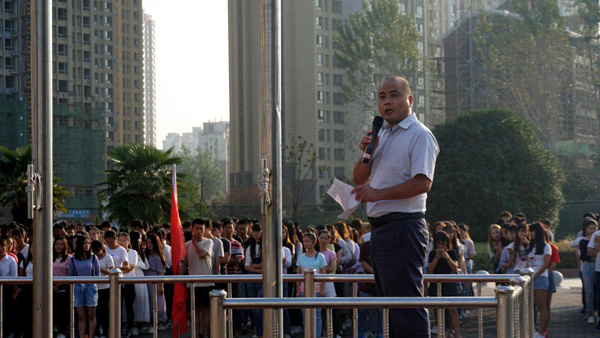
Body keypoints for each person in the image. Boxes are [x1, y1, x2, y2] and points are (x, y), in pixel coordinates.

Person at [351, 76, 439, 337]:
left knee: (406, 307)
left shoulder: (420, 135)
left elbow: (423, 183)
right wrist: (367, 152)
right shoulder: (382, 135)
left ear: (410, 100)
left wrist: (378, 194)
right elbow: (358, 178)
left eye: (394, 95)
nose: (387, 101)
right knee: (392, 305)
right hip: (381, 230)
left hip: (403, 226)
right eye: (382, 96)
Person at [181, 218, 214, 338]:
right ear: (192, 229)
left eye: (201, 228)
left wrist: (194, 243)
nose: (199, 231)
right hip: (192, 283)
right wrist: (178, 279)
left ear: (205, 230)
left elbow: (202, 254)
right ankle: (195, 334)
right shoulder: (187, 245)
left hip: (206, 282)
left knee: (205, 310)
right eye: (197, 228)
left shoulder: (208, 242)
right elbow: (185, 263)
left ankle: (205, 334)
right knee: (195, 311)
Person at [427, 232, 460, 338]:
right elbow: (430, 269)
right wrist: (436, 258)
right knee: (438, 309)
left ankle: (455, 333)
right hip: (436, 283)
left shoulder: (452, 252)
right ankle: (441, 332)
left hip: (449, 282)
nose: (441, 246)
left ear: (447, 243)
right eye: (439, 244)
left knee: (453, 309)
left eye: (443, 244)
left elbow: (455, 268)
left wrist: (447, 257)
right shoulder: (432, 254)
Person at [295, 232, 327, 338]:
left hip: (316, 290)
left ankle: (317, 335)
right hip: (304, 289)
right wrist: (298, 290)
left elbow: (323, 274)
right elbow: (298, 274)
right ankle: (308, 334)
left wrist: (322, 289)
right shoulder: (301, 257)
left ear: (314, 242)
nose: (305, 244)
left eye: (308, 241)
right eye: (304, 241)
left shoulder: (320, 256)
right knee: (305, 315)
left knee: (317, 315)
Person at [69, 235, 100, 338]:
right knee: (81, 316)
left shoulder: (93, 257)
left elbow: (97, 273)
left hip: (91, 287)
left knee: (91, 315)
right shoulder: (73, 259)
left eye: (88, 243)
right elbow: (70, 275)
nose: (86, 245)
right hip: (78, 288)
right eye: (84, 243)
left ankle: (90, 336)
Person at [144, 232, 168, 331]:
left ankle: (160, 322)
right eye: (148, 242)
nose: (149, 245)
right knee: (149, 302)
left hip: (156, 281)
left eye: (151, 243)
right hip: (147, 281)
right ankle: (152, 322)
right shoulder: (146, 254)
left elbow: (161, 272)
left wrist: (160, 286)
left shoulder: (158, 256)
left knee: (158, 303)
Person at [91, 239, 114, 338]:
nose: (96, 253)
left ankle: (105, 331)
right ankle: (96, 331)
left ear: (102, 249)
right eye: (94, 251)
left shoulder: (108, 258)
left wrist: (100, 269)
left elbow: (113, 272)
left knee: (104, 310)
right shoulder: (91, 258)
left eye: (98, 251)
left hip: (105, 287)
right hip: (94, 287)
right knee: (95, 311)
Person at [53, 236, 72, 338]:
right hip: (51, 287)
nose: (59, 246)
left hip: (64, 287)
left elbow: (69, 274)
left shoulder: (69, 258)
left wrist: (59, 284)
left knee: (63, 310)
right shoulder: (49, 256)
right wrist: (53, 285)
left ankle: (63, 331)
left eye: (61, 244)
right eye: (57, 244)